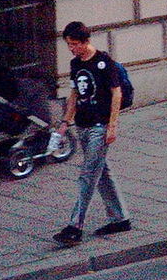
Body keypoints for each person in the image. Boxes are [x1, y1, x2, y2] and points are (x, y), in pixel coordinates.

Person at [53, 22, 131, 246]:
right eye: (69, 44)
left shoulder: (104, 62)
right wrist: (66, 122)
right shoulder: (75, 64)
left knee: (88, 175)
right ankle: (120, 218)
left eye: (74, 44)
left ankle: (74, 227)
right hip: (83, 126)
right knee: (101, 172)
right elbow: (74, 94)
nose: (71, 48)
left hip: (100, 126)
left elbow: (116, 95)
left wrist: (112, 126)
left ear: (85, 41)